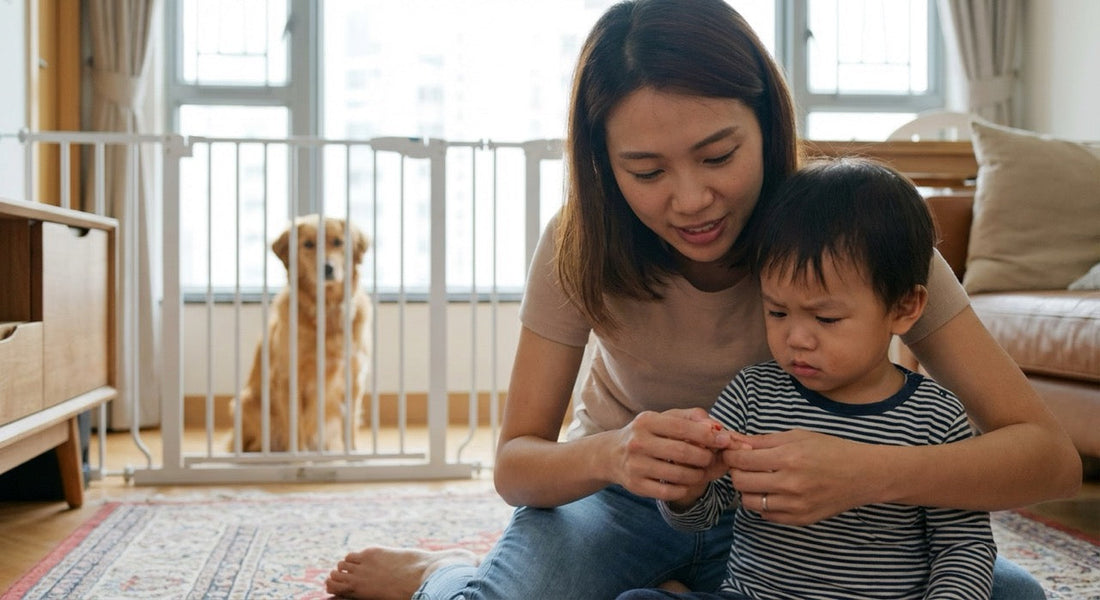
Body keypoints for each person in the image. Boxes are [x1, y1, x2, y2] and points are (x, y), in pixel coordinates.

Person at [324, 1, 1081, 599]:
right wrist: (616, 455)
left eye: (719, 155)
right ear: (603, 165)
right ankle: (440, 576)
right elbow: (517, 465)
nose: (691, 200)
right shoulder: (578, 243)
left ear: (767, 123)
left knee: (1011, 595)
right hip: (625, 505)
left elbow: (1048, 459)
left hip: (808, 517)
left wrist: (866, 472)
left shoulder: (848, 231)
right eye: (646, 170)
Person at [615, 157, 997, 600]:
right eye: (776, 311)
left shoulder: (935, 415)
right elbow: (702, 516)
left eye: (827, 318)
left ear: (903, 308)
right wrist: (687, 488)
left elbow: (963, 546)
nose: (796, 338)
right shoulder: (753, 394)